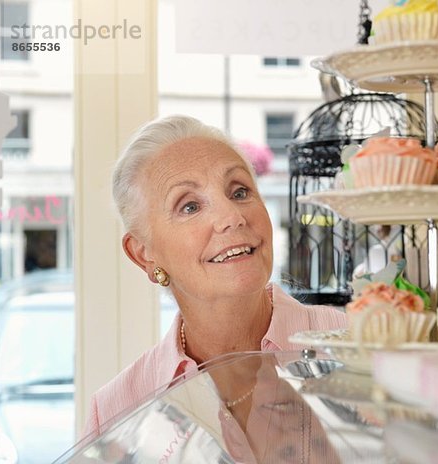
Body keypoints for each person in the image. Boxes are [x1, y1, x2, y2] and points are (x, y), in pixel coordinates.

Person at [82, 115, 347, 439]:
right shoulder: (115, 413)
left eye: (239, 192)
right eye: (190, 207)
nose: (232, 217)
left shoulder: (358, 347)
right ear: (143, 254)